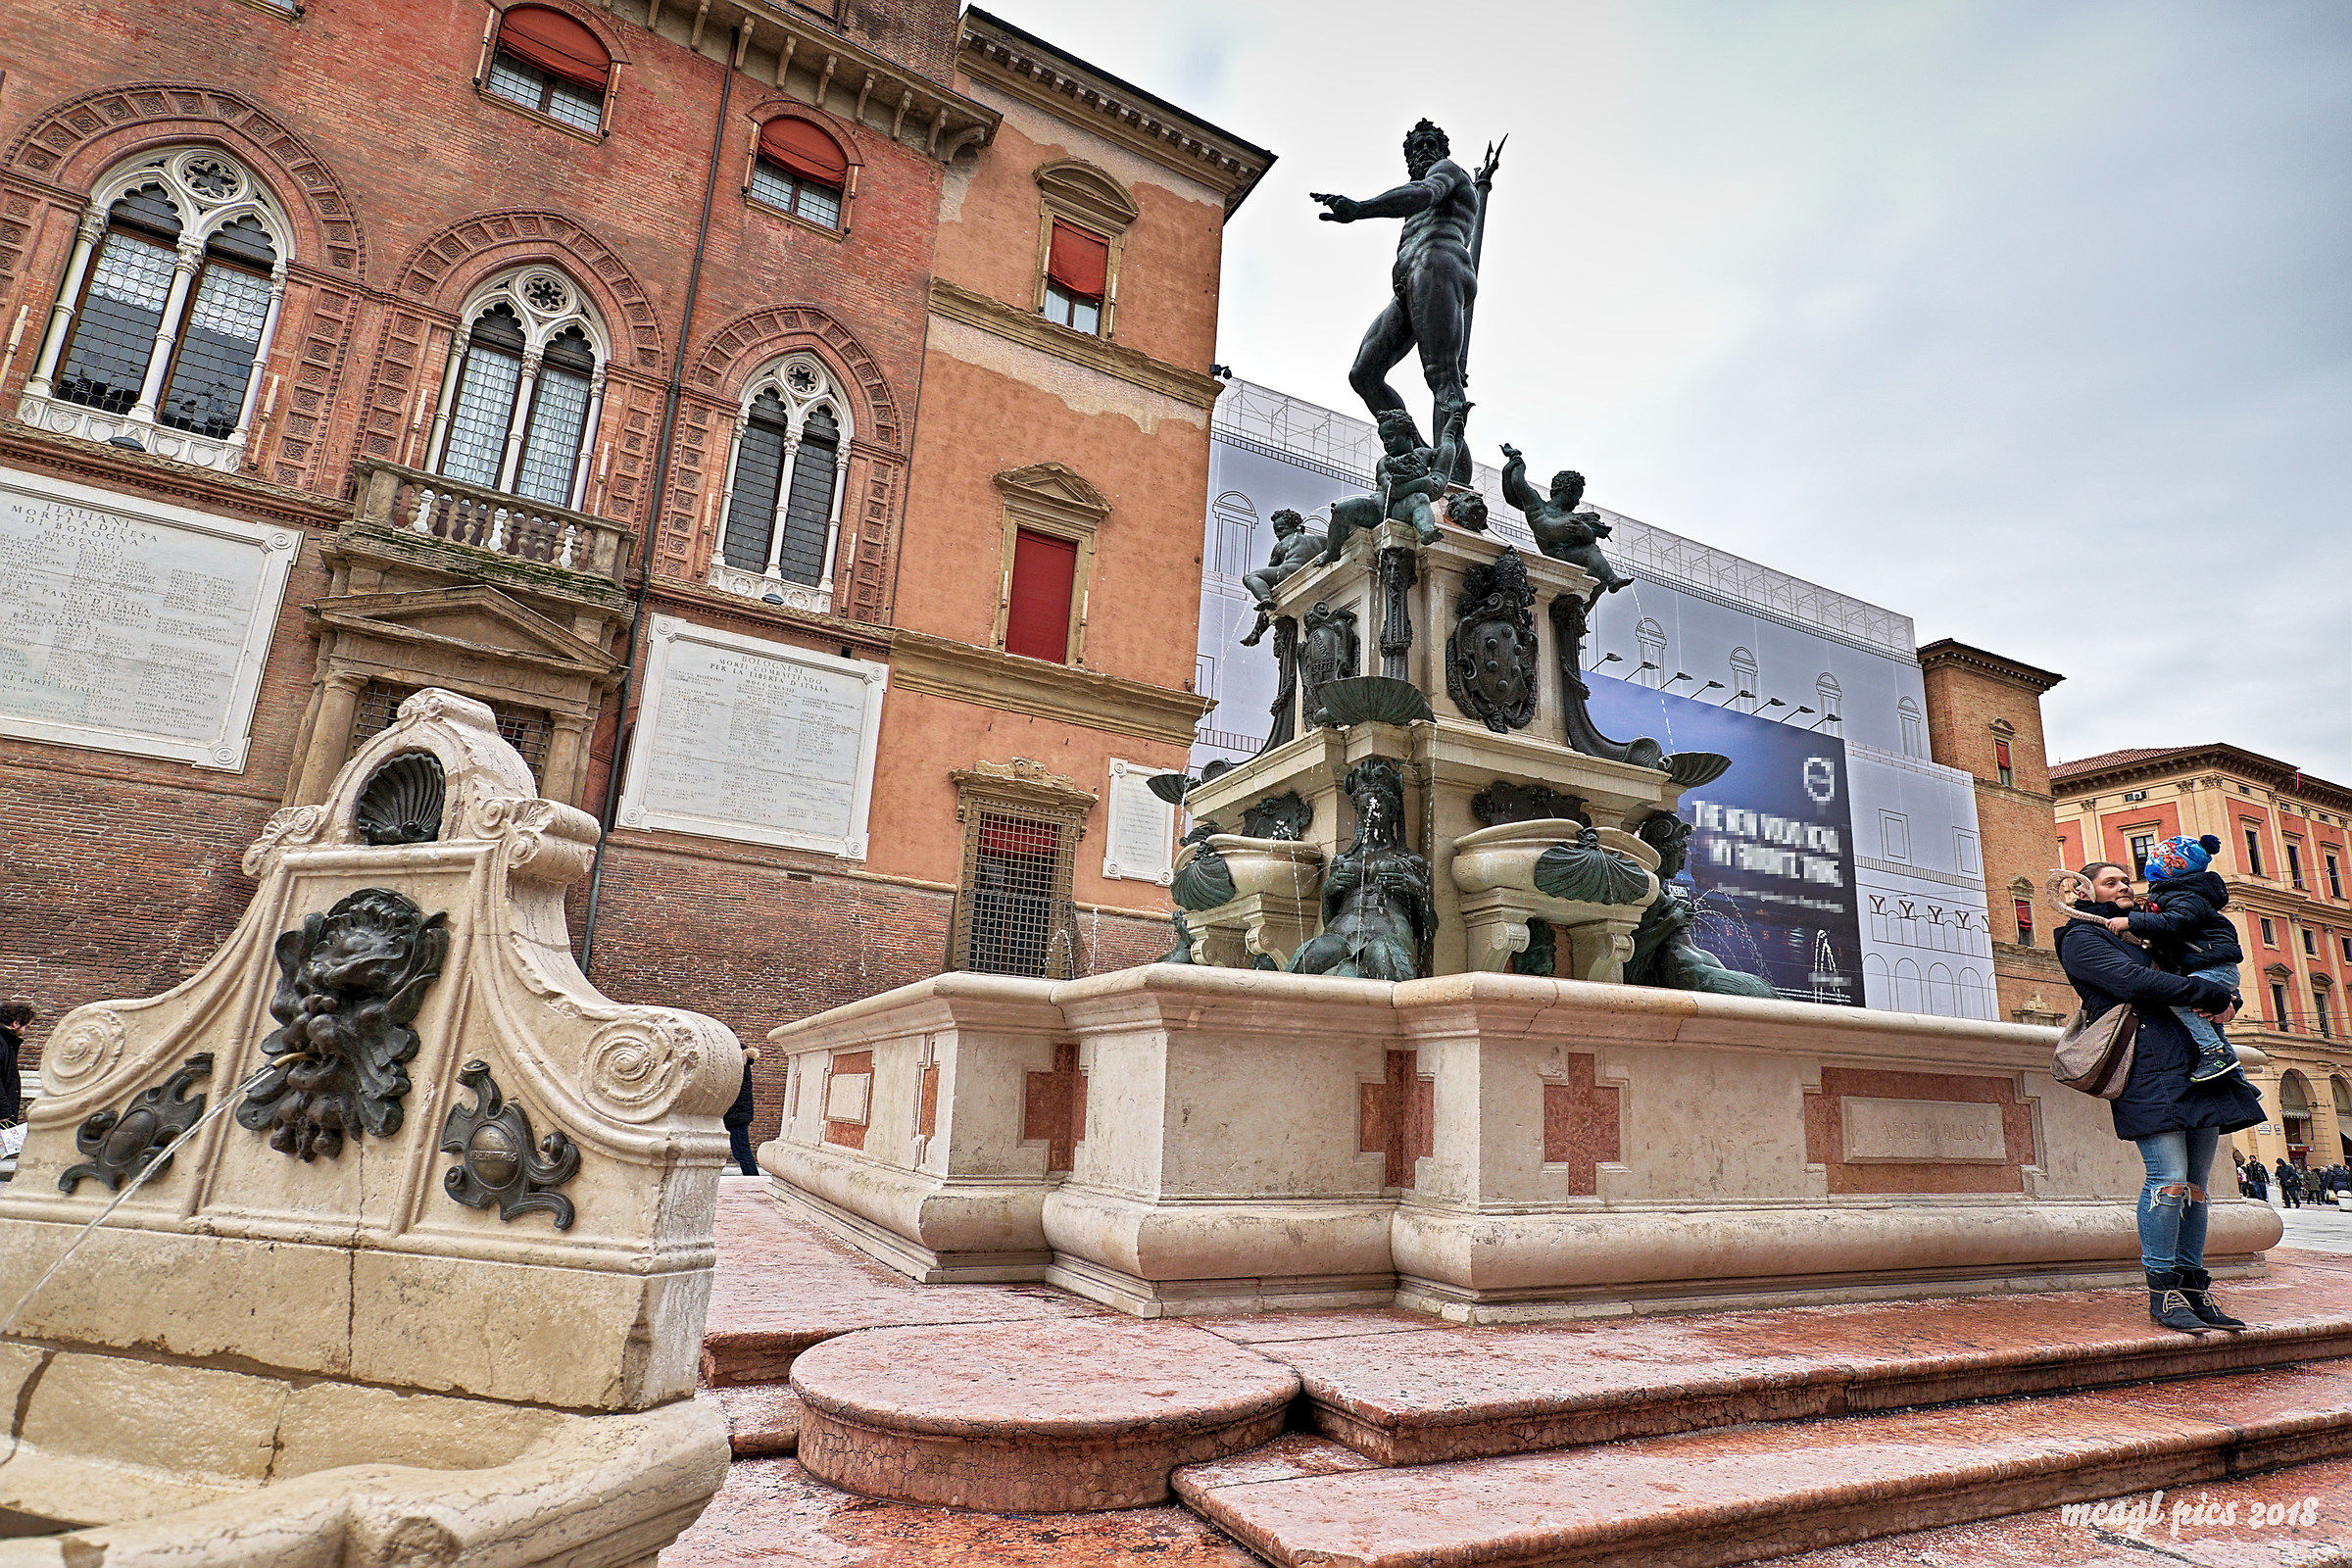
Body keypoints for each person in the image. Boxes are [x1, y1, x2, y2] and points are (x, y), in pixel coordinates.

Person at [2057, 861, 2262, 1334]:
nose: (2124, 886)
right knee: (2167, 1178)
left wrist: (2226, 999)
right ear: (2084, 890)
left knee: (2196, 1184)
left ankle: (2194, 1288)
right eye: (2111, 881)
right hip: (2147, 1068)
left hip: (2197, 1066)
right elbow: (2134, 983)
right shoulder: (2081, 937)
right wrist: (2205, 992)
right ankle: (2163, 1292)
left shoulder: (2152, 933)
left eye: (2127, 879)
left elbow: (2204, 972)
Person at [2110, 835, 2243, 1083]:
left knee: (2180, 1001)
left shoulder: (2185, 895)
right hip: (2212, 967)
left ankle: (2214, 1054)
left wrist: (2131, 921)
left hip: (2212, 967)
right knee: (2210, 1023)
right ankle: (2239, 1081)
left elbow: (2174, 922)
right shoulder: (2180, 894)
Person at [723, 1046, 760, 1177]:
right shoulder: (739, 1061)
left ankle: (753, 1180)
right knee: (741, 1151)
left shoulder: (738, 1064)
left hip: (736, 1115)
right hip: (735, 1113)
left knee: (742, 1152)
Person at [0, 998, 29, 1126]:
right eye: (26, 1027)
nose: (26, 1032)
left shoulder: (7, 1042)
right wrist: (3, 1112)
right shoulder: (2, 1043)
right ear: (15, 1023)